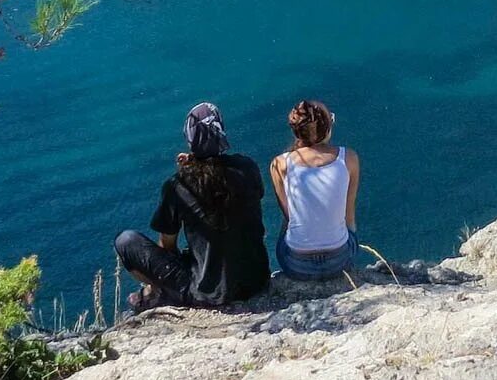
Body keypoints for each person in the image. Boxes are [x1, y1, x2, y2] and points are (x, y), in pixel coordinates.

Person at [113, 102, 270, 312]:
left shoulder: (178, 186)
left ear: (189, 139)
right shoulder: (247, 167)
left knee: (126, 241)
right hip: (257, 282)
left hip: (209, 294)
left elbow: (167, 245)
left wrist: (189, 170)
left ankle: (160, 292)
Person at [268, 98, 360, 280]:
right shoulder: (348, 158)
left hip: (296, 265)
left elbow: (289, 216)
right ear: (327, 128)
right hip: (340, 262)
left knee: (287, 226)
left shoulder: (279, 164)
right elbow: (349, 218)